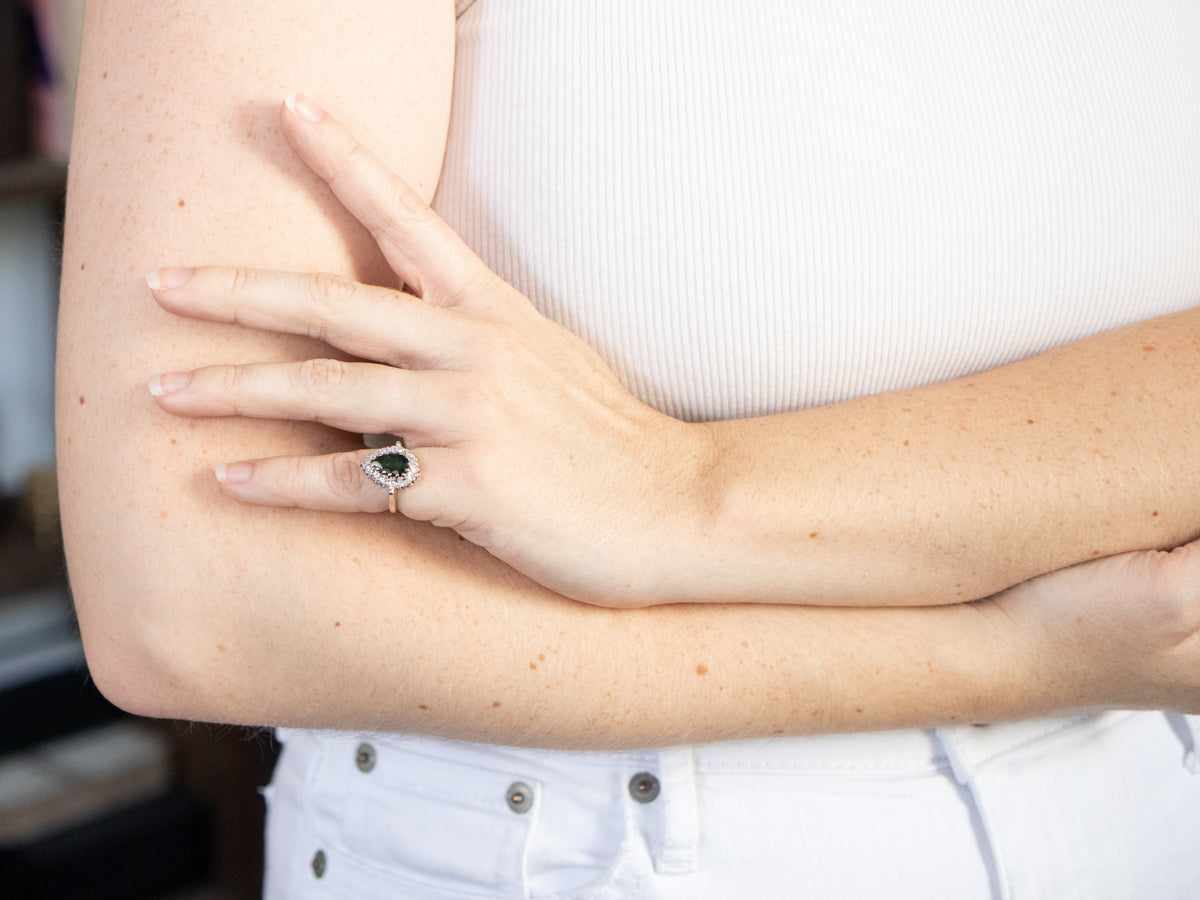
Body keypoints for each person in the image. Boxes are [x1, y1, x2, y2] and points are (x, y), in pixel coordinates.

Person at [59, 1, 1200, 896]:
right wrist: (1011, 657)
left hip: (1138, 808)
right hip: (577, 851)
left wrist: (680, 496)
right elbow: (195, 598)